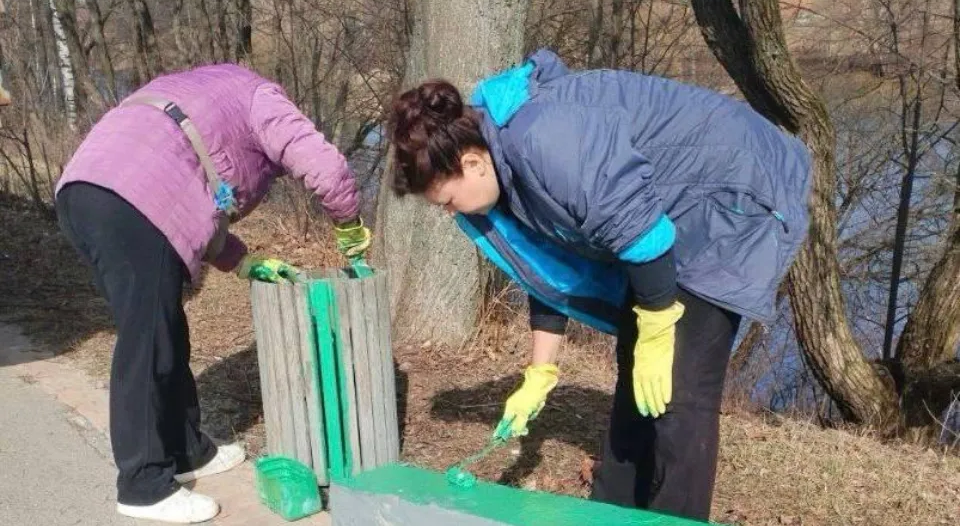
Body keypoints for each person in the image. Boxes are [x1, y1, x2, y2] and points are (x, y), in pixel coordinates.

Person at [387, 48, 811, 520]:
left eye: (447, 201)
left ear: (471, 163)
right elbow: (549, 271)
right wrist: (540, 372)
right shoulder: (507, 173)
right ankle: (611, 512)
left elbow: (644, 235)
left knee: (681, 388)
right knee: (639, 369)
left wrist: (655, 326)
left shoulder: (543, 140)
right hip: (664, 219)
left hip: (732, 194)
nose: (450, 214)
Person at [55, 63, 371, 523]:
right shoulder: (260, 98)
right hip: (132, 203)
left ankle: (187, 450)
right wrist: (349, 222)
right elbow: (323, 164)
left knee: (164, 328)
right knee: (147, 341)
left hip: (85, 195)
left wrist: (242, 261)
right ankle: (143, 486)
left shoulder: (202, 92)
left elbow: (198, 195)